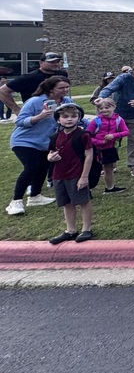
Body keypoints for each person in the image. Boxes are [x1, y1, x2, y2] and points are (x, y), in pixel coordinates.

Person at [5, 75, 73, 215]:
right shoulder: (35, 101)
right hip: (24, 141)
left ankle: (35, 196)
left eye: (67, 87)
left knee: (43, 167)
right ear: (50, 89)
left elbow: (75, 118)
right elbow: (20, 121)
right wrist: (40, 116)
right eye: (61, 88)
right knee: (31, 167)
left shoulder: (66, 102)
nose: (65, 90)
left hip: (45, 142)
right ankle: (15, 202)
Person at [95, 63, 134, 177]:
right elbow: (109, 88)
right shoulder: (123, 78)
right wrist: (102, 97)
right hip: (117, 116)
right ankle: (109, 166)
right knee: (110, 140)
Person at [45, 103, 95, 244]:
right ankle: (70, 230)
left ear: (79, 118)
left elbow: (89, 155)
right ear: (58, 119)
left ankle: (86, 229)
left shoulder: (83, 135)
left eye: (74, 116)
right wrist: (50, 157)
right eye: (65, 116)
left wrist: (84, 176)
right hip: (59, 174)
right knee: (66, 203)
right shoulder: (55, 136)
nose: (69, 119)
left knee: (83, 201)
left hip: (76, 173)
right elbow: (50, 152)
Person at [0, 52, 68, 119]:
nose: (56, 64)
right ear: (41, 63)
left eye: (57, 62)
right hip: (35, 114)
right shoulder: (28, 77)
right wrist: (16, 109)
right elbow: (2, 91)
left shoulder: (62, 75)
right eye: (52, 62)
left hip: (58, 112)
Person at [85, 98, 129, 193]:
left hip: (109, 148)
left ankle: (110, 187)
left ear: (114, 107)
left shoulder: (118, 119)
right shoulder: (96, 121)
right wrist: (99, 142)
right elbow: (87, 135)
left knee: (109, 168)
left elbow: (126, 131)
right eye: (101, 108)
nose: (104, 110)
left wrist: (113, 135)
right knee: (93, 169)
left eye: (107, 107)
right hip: (95, 149)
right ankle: (87, 189)